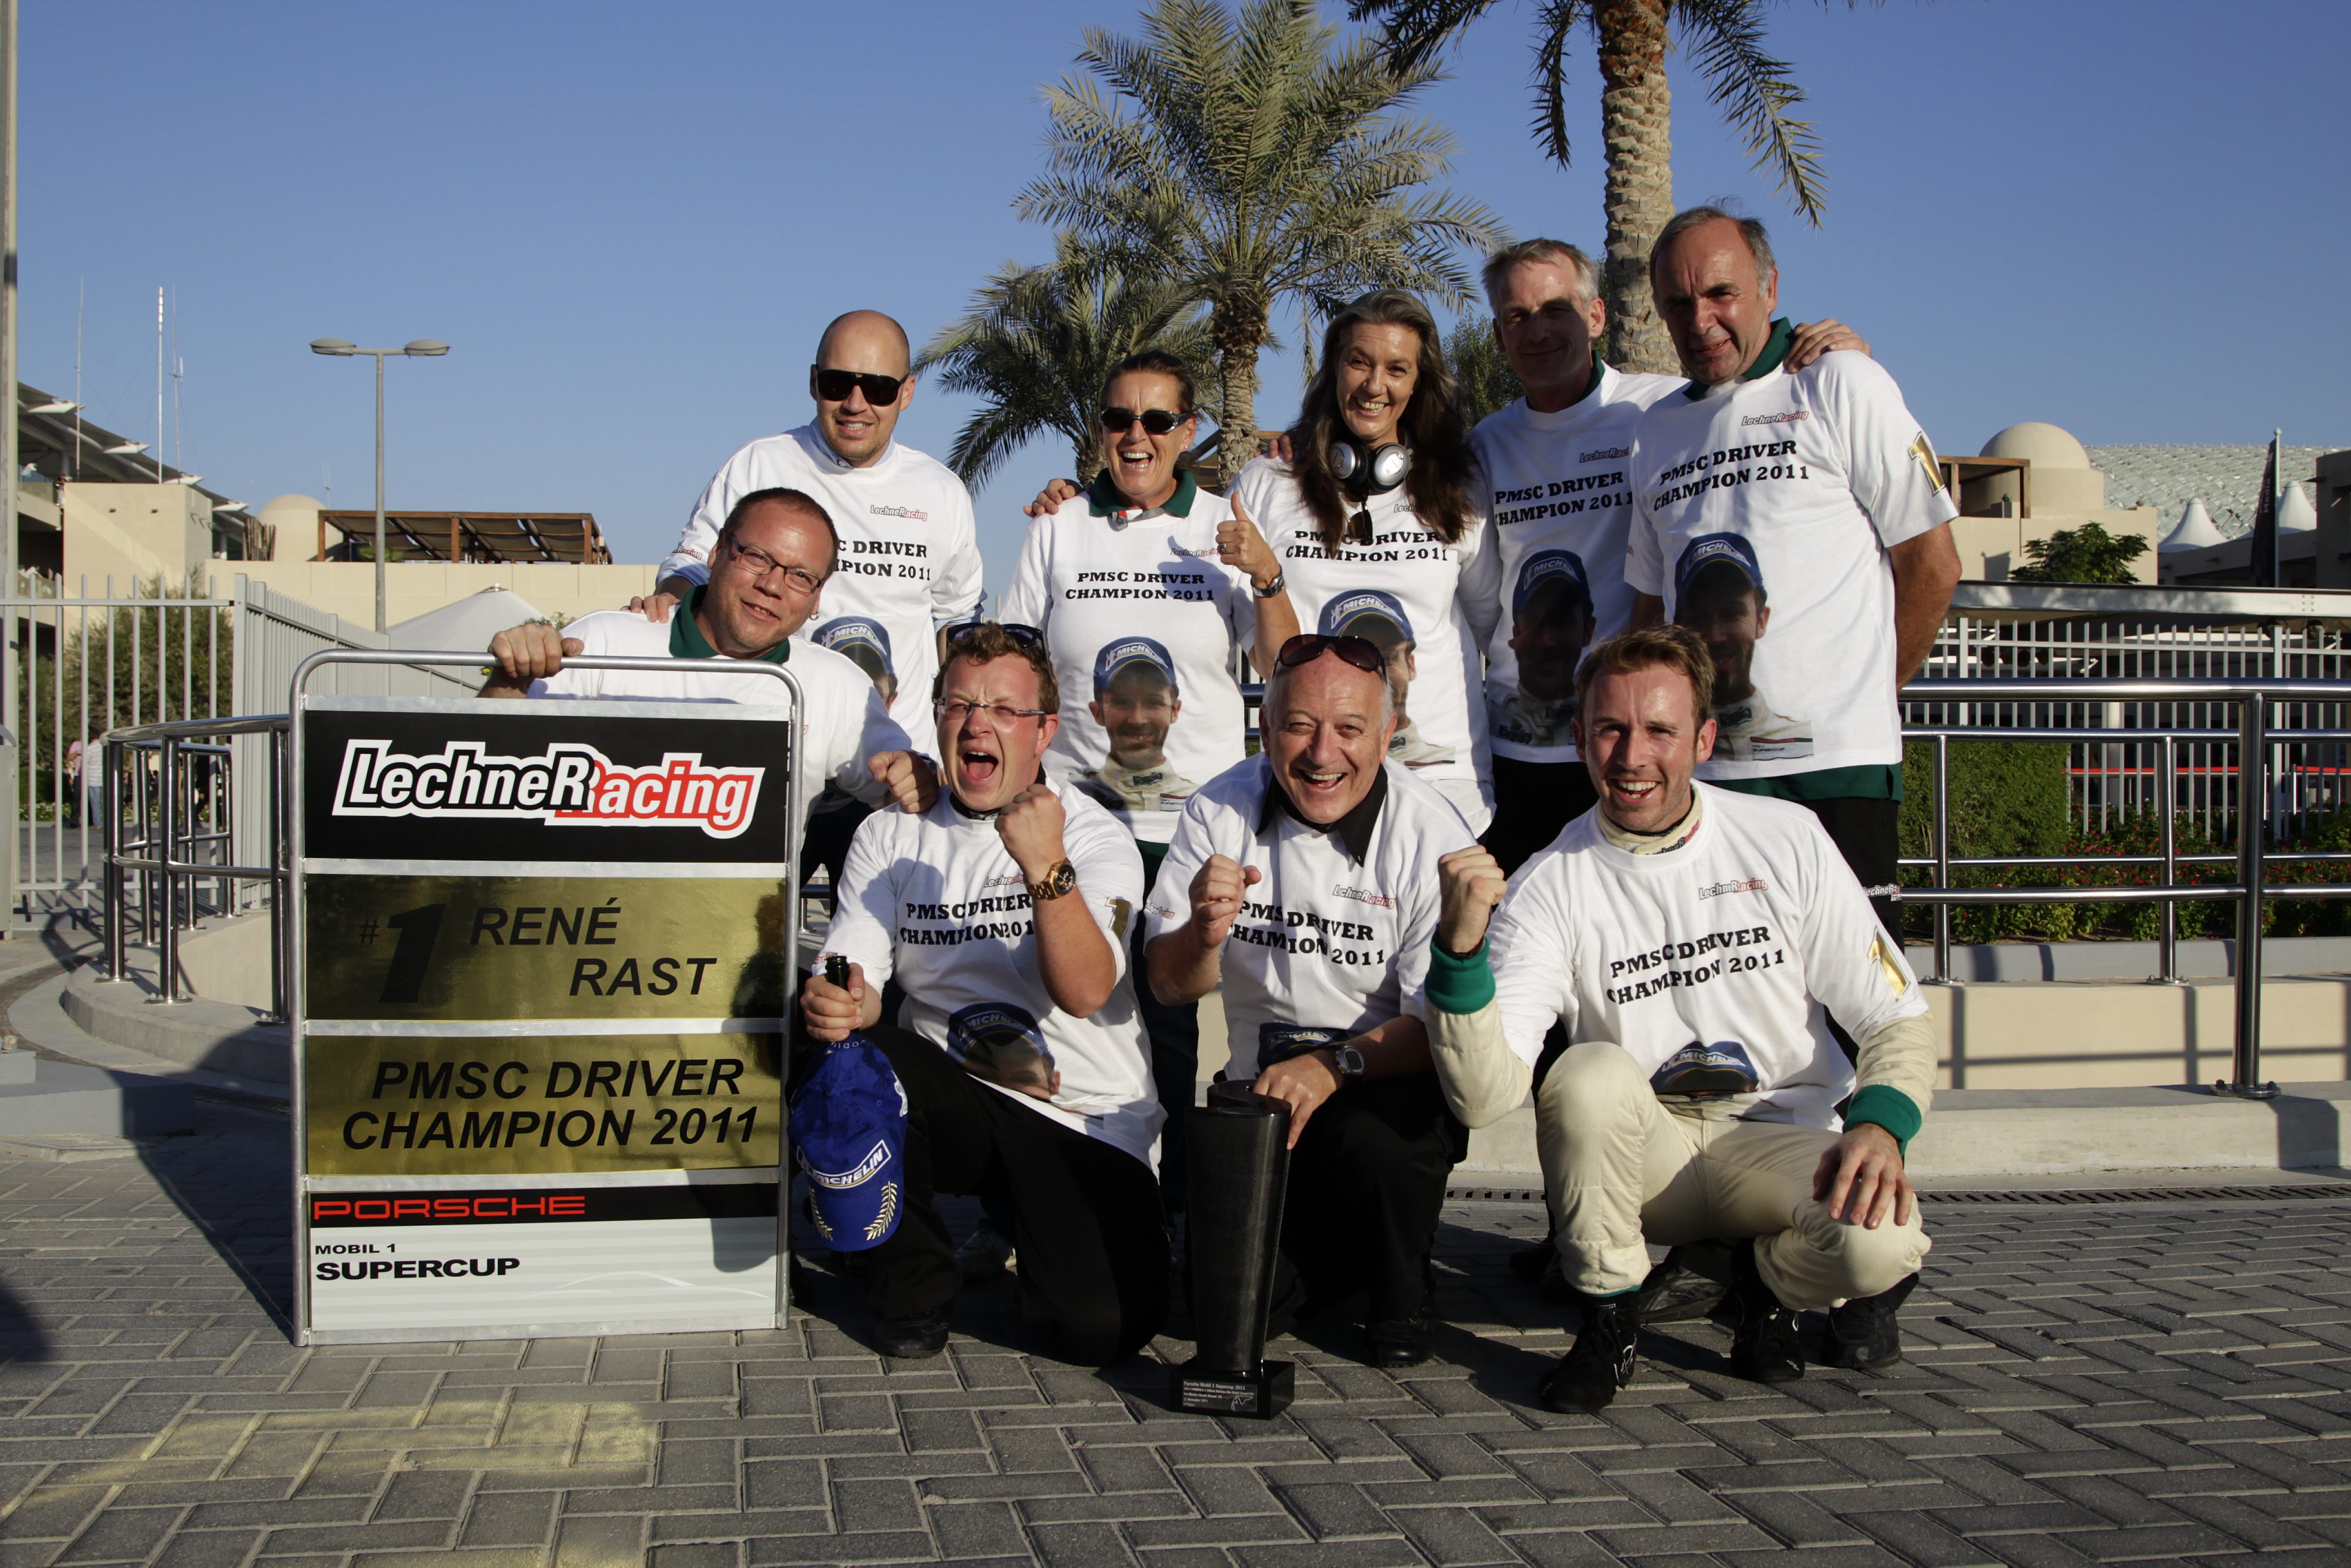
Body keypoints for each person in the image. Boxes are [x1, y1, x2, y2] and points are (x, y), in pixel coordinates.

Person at [1416, 626, 1935, 1414]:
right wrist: (1458, 954)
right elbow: (1485, 1098)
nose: (1633, 756)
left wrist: (1879, 1126)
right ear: (1580, 738)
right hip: (1650, 1157)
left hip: (1779, 1139)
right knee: (1584, 1073)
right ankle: (1609, 1315)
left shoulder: (1787, 838)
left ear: (1704, 739)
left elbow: (1895, 1015)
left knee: (1883, 1244)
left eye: (1659, 729)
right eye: (1611, 729)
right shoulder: (1546, 884)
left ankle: (1763, 1287)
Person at [801, 623, 1166, 1364]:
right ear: (937, 717)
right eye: (961, 704)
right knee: (838, 1052)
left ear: (1044, 731)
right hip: (958, 1098)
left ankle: (1042, 1231)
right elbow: (851, 968)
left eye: (1004, 709)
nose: (977, 724)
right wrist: (839, 997)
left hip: (1082, 1115)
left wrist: (1045, 867)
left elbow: (1086, 990)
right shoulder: (890, 834)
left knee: (1100, 1329)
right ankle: (911, 1283)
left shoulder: (1093, 834)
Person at [1001, 348, 1300, 1230]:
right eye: (1118, 418)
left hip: (1186, 831)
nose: (1136, 436)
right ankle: (1036, 1205)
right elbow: (1014, 659)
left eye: (1157, 420)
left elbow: (1285, 666)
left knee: (1168, 1025)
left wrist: (1266, 574)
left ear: (1188, 430)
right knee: (1059, 1008)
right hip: (1077, 827)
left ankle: (1164, 1218)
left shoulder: (1223, 524)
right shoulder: (1057, 527)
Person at [1469, 239, 1869, 875]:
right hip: (1517, 753)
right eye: (1517, 316)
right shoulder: (1486, 443)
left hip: (1628, 747)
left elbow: (1757, 394)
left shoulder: (1659, 410)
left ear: (1596, 315)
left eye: (1556, 310)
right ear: (1498, 334)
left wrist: (1830, 353)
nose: (1538, 330)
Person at [1144, 633, 1479, 1367]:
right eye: (1299, 725)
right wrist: (1202, 934)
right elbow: (1169, 984)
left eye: (1350, 728)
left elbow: (1438, 1027)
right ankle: (1338, 1254)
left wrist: (1331, 1066)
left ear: (1387, 734)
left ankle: (1402, 1285)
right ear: (1265, 728)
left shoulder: (1432, 831)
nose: (1323, 753)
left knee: (1377, 1146)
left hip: (1385, 1086)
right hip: (1261, 1102)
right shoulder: (1216, 807)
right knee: (1218, 1313)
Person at [1628, 207, 1960, 937]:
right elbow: (1650, 611)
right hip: (1706, 780)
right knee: (1727, 991)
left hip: (1837, 773)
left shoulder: (1840, 382)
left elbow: (1933, 565)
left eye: (1721, 293)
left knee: (1858, 993)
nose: (1701, 320)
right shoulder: (1655, 430)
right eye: (1678, 303)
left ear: (1770, 288)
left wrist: (1869, 698)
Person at [636, 309, 986, 886]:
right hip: (764, 760)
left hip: (890, 775)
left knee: (887, 944)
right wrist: (664, 602)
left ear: (907, 393)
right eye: (837, 383)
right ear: (813, 381)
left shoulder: (941, 492)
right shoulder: (760, 463)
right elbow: (693, 563)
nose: (855, 403)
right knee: (739, 931)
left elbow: (958, 622)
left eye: (878, 388)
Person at [480, 487, 931, 838]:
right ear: (716, 553)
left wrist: (919, 777)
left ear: (817, 599)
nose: (772, 586)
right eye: (757, 557)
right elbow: (481, 770)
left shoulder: (835, 684)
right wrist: (510, 681)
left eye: (800, 576)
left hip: (742, 930)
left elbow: (910, 789)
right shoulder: (604, 640)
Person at [1672, 535, 1809, 760]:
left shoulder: (1802, 740)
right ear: (1678, 629)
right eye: (1699, 618)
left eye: (1732, 614)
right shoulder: (1665, 750)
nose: (1716, 636)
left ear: (1761, 621)